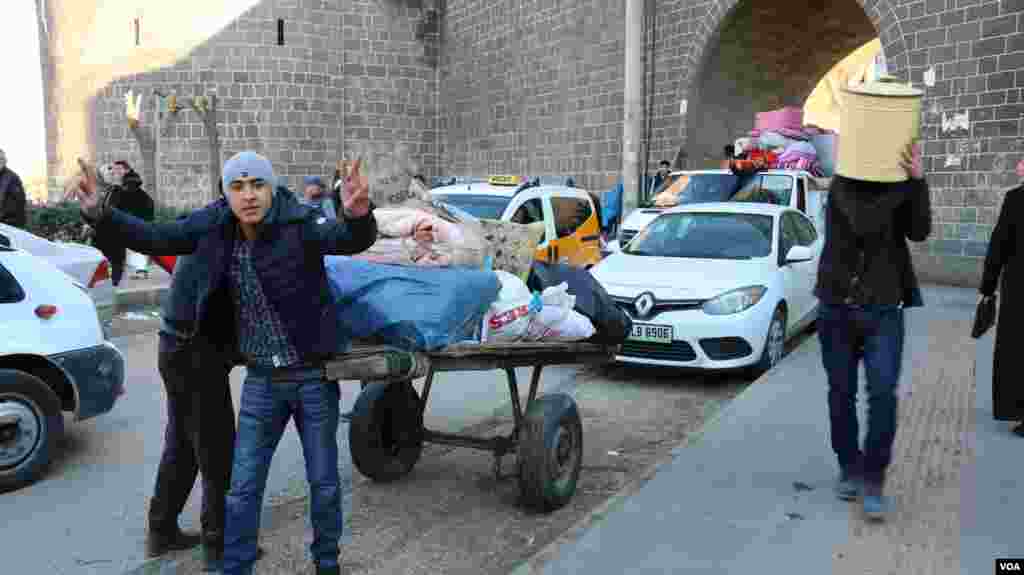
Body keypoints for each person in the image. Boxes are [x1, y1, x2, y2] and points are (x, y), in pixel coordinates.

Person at [72, 151, 377, 575]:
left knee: (319, 481)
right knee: (236, 477)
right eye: (238, 186)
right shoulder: (214, 225)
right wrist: (101, 214)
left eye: (257, 185)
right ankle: (228, 558)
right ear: (225, 193)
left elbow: (347, 239)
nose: (248, 195)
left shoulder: (299, 223)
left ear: (272, 188)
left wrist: (359, 216)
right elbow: (158, 237)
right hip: (242, 371)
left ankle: (324, 563)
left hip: (306, 375)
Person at [813, 142, 931, 521]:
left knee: (882, 395)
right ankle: (849, 466)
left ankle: (874, 477)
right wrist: (900, 188)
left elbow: (920, 231)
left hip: (883, 311)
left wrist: (917, 181)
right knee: (841, 393)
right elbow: (864, 220)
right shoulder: (843, 183)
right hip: (837, 307)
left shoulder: (900, 185)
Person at [146, 252, 239, 572]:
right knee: (217, 451)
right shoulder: (224, 239)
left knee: (183, 445)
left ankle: (161, 530)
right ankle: (218, 546)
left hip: (174, 346)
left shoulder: (210, 233)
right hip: (196, 353)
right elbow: (217, 308)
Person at [979, 158, 1024, 438]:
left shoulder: (1016, 199)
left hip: (1019, 289)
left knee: (1016, 349)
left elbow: (999, 245)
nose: (1019, 166)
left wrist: (988, 286)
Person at [114, 161, 156, 278]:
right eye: (115, 169)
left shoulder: (129, 185)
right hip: (137, 219)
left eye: (119, 169)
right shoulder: (129, 184)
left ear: (126, 170)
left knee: (136, 246)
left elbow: (125, 203)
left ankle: (140, 271)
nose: (116, 172)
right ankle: (138, 270)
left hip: (137, 219)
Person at [0, 148, 27, 229]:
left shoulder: (12, 178)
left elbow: (18, 202)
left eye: (2, 159)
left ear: (5, 161)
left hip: (9, 225)